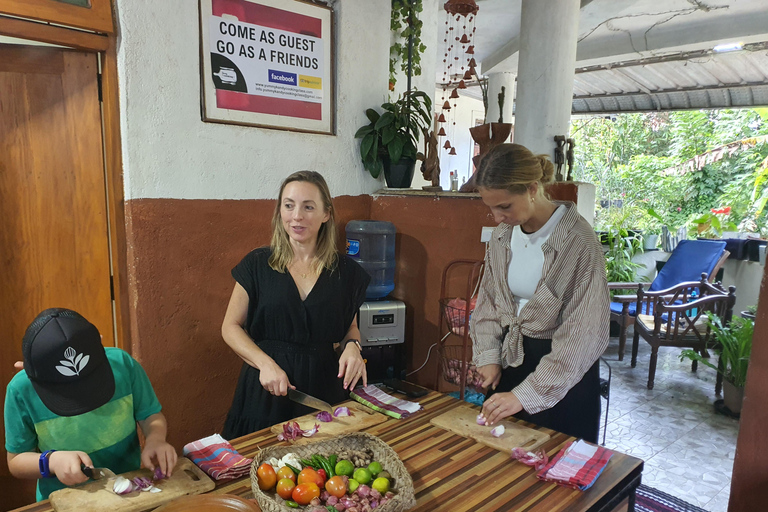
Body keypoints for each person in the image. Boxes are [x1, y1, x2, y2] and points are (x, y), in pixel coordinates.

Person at [470, 143, 609, 443]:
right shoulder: (502, 236)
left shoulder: (579, 242)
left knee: (556, 474)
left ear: (533, 189)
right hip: (512, 362)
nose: (496, 218)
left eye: (504, 207)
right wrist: (490, 357)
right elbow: (489, 303)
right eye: (490, 208)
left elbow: (582, 335)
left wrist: (526, 395)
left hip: (564, 377)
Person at [221, 171, 371, 439]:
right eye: (289, 205)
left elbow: (350, 329)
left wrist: (353, 348)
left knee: (322, 470)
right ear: (280, 210)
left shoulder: (346, 272)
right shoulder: (257, 264)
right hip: (265, 390)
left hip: (323, 387)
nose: (297, 216)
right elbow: (230, 327)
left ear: (326, 213)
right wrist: (264, 363)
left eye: (308, 206)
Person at [4, 308, 177, 501]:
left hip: (130, 492)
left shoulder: (122, 364)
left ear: (100, 344)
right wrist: (51, 462)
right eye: (66, 393)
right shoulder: (21, 390)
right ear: (29, 372)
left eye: (90, 383)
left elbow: (150, 415)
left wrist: (156, 438)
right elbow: (16, 461)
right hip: (66, 498)